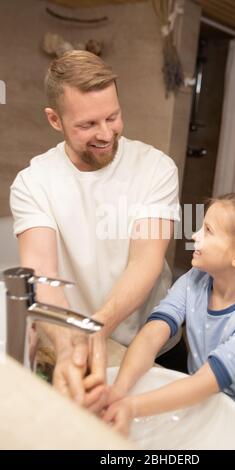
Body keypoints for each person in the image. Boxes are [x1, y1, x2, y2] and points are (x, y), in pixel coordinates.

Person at [10, 50, 184, 410]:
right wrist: (68, 342)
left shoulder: (155, 168)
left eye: (113, 116)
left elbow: (145, 262)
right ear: (54, 119)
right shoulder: (33, 182)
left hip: (151, 343)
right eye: (88, 124)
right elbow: (42, 273)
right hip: (69, 340)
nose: (106, 133)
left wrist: (97, 327)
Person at [102, 193, 235, 435]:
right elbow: (152, 335)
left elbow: (207, 381)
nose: (195, 235)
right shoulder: (193, 280)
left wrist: (131, 407)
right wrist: (119, 391)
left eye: (207, 230)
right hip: (205, 403)